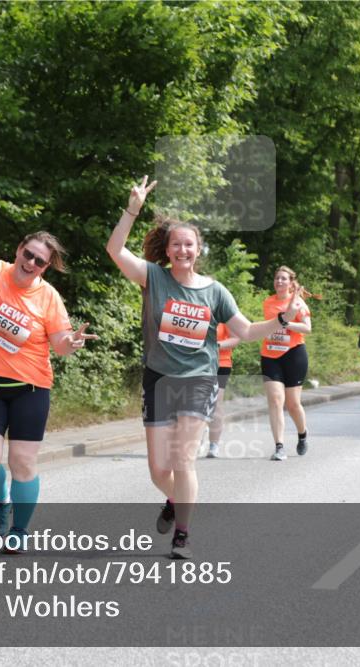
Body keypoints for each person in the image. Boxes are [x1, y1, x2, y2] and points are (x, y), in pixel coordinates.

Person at [105, 175, 303, 559]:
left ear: (198, 250)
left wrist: (281, 320)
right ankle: (176, 501)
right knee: (158, 471)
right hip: (158, 379)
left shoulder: (215, 291)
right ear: (168, 248)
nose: (182, 250)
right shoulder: (153, 277)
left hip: (198, 380)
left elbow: (245, 330)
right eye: (176, 244)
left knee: (183, 460)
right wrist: (132, 209)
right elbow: (115, 250)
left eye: (189, 244)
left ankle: (182, 534)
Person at [0, 182, 97, 553]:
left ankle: (20, 531)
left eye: (40, 261)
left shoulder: (48, 297)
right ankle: (2, 500)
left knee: (23, 464)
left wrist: (70, 343)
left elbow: (59, 345)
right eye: (28, 254)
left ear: (46, 267)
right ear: (18, 250)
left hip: (31, 390)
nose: (31, 263)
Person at [260, 266, 314, 461]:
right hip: (270, 354)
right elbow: (268, 325)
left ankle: (302, 434)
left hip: (294, 354)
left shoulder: (299, 303)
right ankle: (279, 446)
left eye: (283, 279)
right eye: (277, 279)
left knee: (292, 404)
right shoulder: (268, 302)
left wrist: (286, 324)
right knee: (275, 400)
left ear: (291, 283)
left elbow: (307, 328)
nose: (279, 282)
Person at [206, 323, 240, 459]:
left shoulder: (224, 313)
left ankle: (214, 445)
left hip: (221, 363)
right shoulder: (195, 309)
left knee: (215, 402)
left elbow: (236, 339)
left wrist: (216, 346)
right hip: (196, 363)